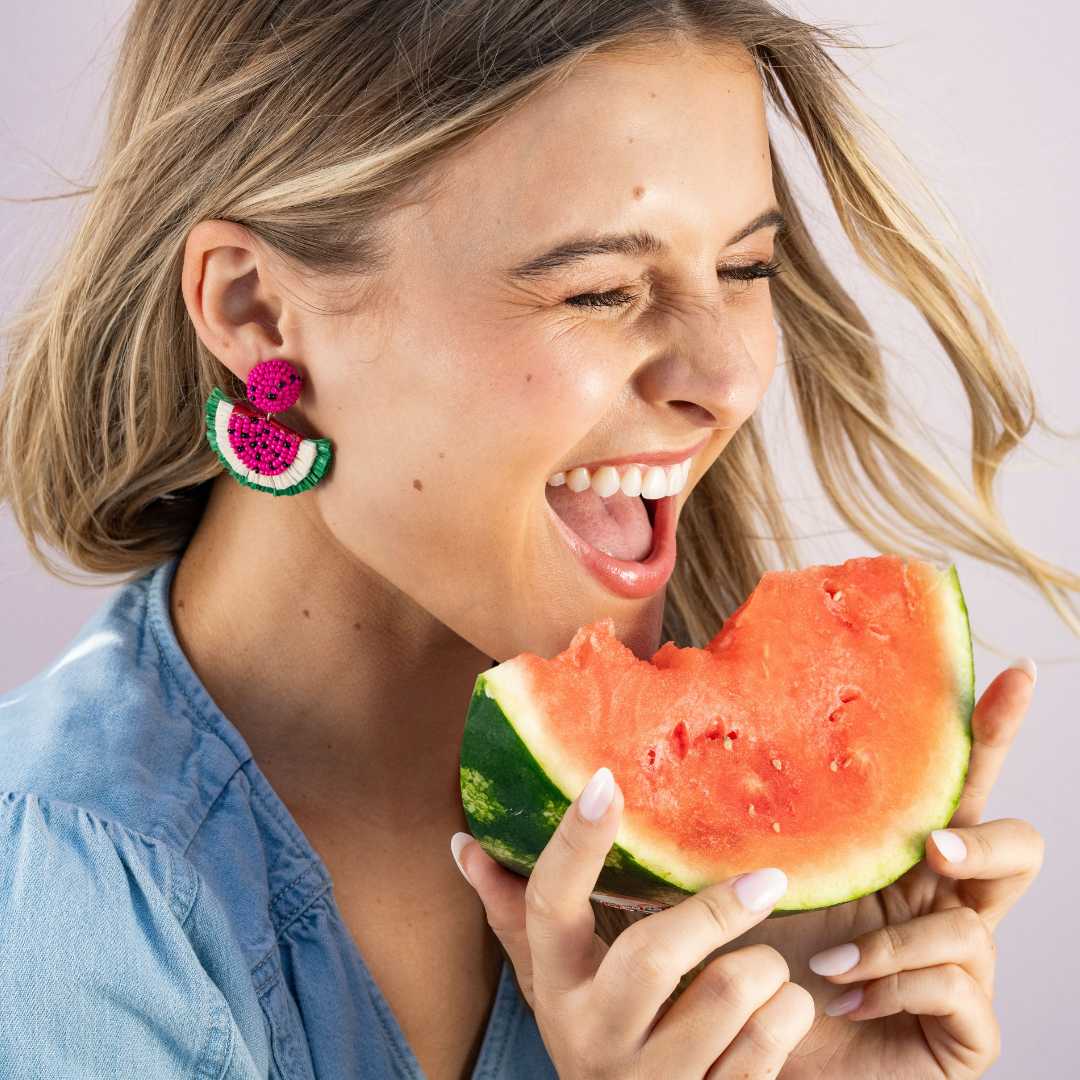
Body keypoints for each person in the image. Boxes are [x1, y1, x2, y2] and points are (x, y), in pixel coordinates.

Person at [0, 1, 1072, 1077]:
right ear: (256, 314)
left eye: (745, 269)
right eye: (599, 289)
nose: (730, 381)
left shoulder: (691, 855)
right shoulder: (68, 906)